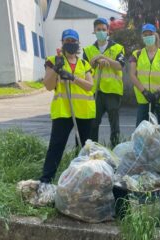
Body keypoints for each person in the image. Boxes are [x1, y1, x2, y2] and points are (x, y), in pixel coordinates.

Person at [39, 29, 94, 184]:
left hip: (85, 112)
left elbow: (90, 86)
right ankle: (45, 181)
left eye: (73, 41)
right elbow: (48, 86)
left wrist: (72, 77)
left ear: (78, 43)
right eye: (67, 41)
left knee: (85, 149)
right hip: (63, 110)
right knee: (56, 147)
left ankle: (86, 179)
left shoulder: (84, 63)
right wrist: (56, 69)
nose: (70, 44)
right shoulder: (52, 60)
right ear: (62, 43)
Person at [83, 18, 126, 147]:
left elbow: (119, 65)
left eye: (103, 29)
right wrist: (95, 61)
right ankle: (93, 150)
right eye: (98, 29)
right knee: (93, 123)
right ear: (94, 31)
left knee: (114, 124)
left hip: (112, 91)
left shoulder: (118, 48)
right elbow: (85, 69)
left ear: (108, 31)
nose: (101, 31)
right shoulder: (88, 50)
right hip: (95, 92)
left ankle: (115, 148)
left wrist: (103, 57)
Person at [129, 23, 160, 126]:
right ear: (142, 37)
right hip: (144, 98)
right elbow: (132, 75)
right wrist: (144, 92)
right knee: (142, 131)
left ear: (155, 35)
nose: (148, 37)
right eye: (145, 35)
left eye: (150, 34)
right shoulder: (137, 54)